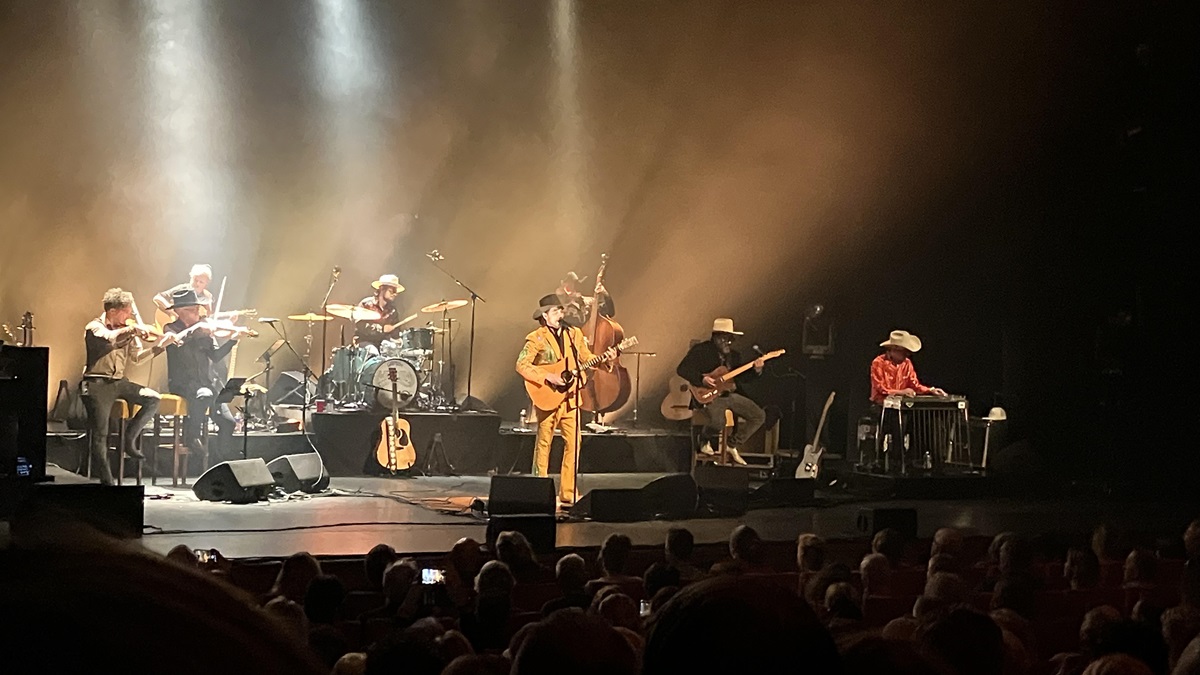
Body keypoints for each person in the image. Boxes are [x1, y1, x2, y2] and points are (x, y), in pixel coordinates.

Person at [515, 294, 616, 506]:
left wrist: (604, 360)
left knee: (574, 444)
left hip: (571, 397)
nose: (560, 314)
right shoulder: (536, 338)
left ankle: (568, 493)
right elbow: (522, 365)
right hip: (548, 396)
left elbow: (586, 358)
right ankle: (539, 489)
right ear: (545, 315)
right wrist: (547, 376)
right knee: (544, 443)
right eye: (555, 311)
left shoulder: (574, 334)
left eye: (561, 310)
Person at [81, 288, 176, 485]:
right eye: (127, 311)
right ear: (113, 311)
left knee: (153, 398)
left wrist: (161, 346)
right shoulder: (94, 327)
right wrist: (132, 329)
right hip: (97, 383)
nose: (131, 315)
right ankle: (108, 483)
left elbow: (137, 359)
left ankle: (129, 438)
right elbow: (110, 338)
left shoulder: (127, 330)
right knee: (100, 434)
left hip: (119, 382)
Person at [675, 318, 766, 465]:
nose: (728, 342)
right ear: (716, 337)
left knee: (759, 416)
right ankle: (704, 440)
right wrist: (701, 379)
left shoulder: (734, 356)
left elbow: (741, 379)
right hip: (708, 396)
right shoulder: (701, 351)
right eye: (724, 338)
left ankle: (732, 444)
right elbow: (682, 369)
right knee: (719, 421)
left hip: (728, 395)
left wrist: (756, 371)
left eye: (730, 339)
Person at [162, 289, 239, 461]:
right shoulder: (171, 329)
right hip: (182, 384)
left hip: (206, 383)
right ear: (180, 312)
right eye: (193, 309)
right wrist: (198, 328)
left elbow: (216, 355)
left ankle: (221, 460)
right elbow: (180, 343)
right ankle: (191, 436)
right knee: (204, 394)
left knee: (228, 422)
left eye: (198, 309)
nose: (199, 312)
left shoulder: (204, 332)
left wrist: (233, 339)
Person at [869, 330, 946, 404]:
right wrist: (902, 392)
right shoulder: (878, 363)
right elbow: (881, 389)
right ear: (894, 349)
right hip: (881, 407)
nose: (907, 354)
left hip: (902, 406)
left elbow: (915, 385)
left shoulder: (907, 363)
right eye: (905, 351)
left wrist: (931, 390)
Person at [354, 274, 407, 354]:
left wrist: (398, 339)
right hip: (364, 342)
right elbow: (360, 325)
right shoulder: (366, 304)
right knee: (373, 352)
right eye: (391, 291)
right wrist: (381, 329)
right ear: (382, 289)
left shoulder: (392, 310)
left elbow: (395, 331)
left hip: (383, 344)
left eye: (396, 292)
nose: (394, 294)